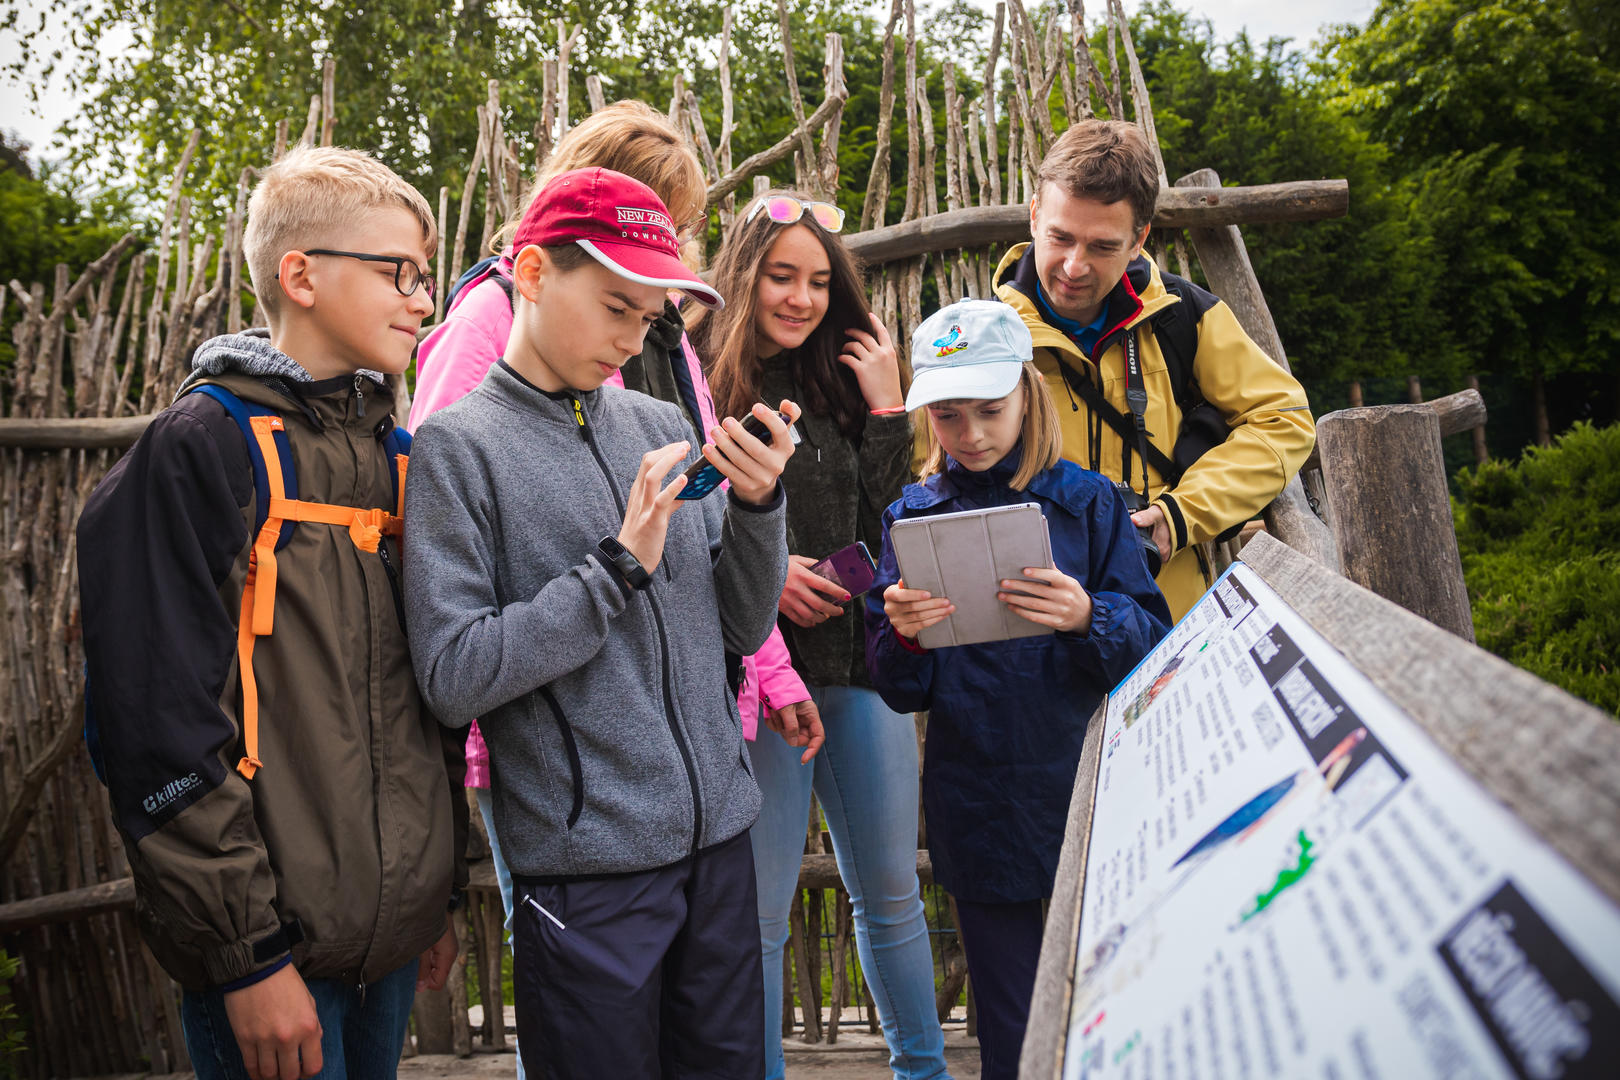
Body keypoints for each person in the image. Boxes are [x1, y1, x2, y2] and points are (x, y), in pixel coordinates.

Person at [77, 145, 464, 1080]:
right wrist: (245, 957)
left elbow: (422, 704)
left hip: (388, 950)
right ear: (301, 276)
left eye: (425, 276)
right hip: (267, 957)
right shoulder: (200, 449)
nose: (423, 300)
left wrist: (432, 900)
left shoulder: (397, 456)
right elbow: (156, 727)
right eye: (399, 272)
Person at [404, 167, 796, 1078]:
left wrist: (758, 509)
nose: (630, 337)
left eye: (648, 317)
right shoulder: (456, 450)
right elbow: (454, 675)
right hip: (584, 880)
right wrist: (616, 567)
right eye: (616, 307)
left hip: (720, 853)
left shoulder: (660, 421)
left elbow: (738, 630)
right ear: (533, 273)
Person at [866, 299, 1172, 1080]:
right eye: (948, 415)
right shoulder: (909, 519)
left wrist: (1089, 616)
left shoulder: (1093, 504)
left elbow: (1155, 647)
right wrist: (904, 635)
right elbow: (898, 687)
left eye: (989, 410)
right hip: (978, 799)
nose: (970, 433)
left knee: (1113, 992)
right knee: (1007, 1014)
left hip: (1090, 791)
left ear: (1027, 396)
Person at [690, 191, 951, 1080]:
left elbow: (893, 529)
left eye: (817, 281)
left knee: (892, 895)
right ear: (743, 275)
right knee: (760, 916)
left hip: (859, 666)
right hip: (756, 682)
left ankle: (924, 1072)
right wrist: (767, 572)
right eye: (780, 276)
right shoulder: (695, 379)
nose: (800, 298)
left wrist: (888, 411)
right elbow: (678, 525)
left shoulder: (841, 380)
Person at [994, 118, 1315, 620]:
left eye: (1102, 246)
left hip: (1169, 626)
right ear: (1034, 216)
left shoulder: (1184, 315)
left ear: (1139, 238)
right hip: (1035, 635)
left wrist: (1179, 516)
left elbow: (1285, 419)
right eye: (1060, 237)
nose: (1074, 266)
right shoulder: (982, 335)